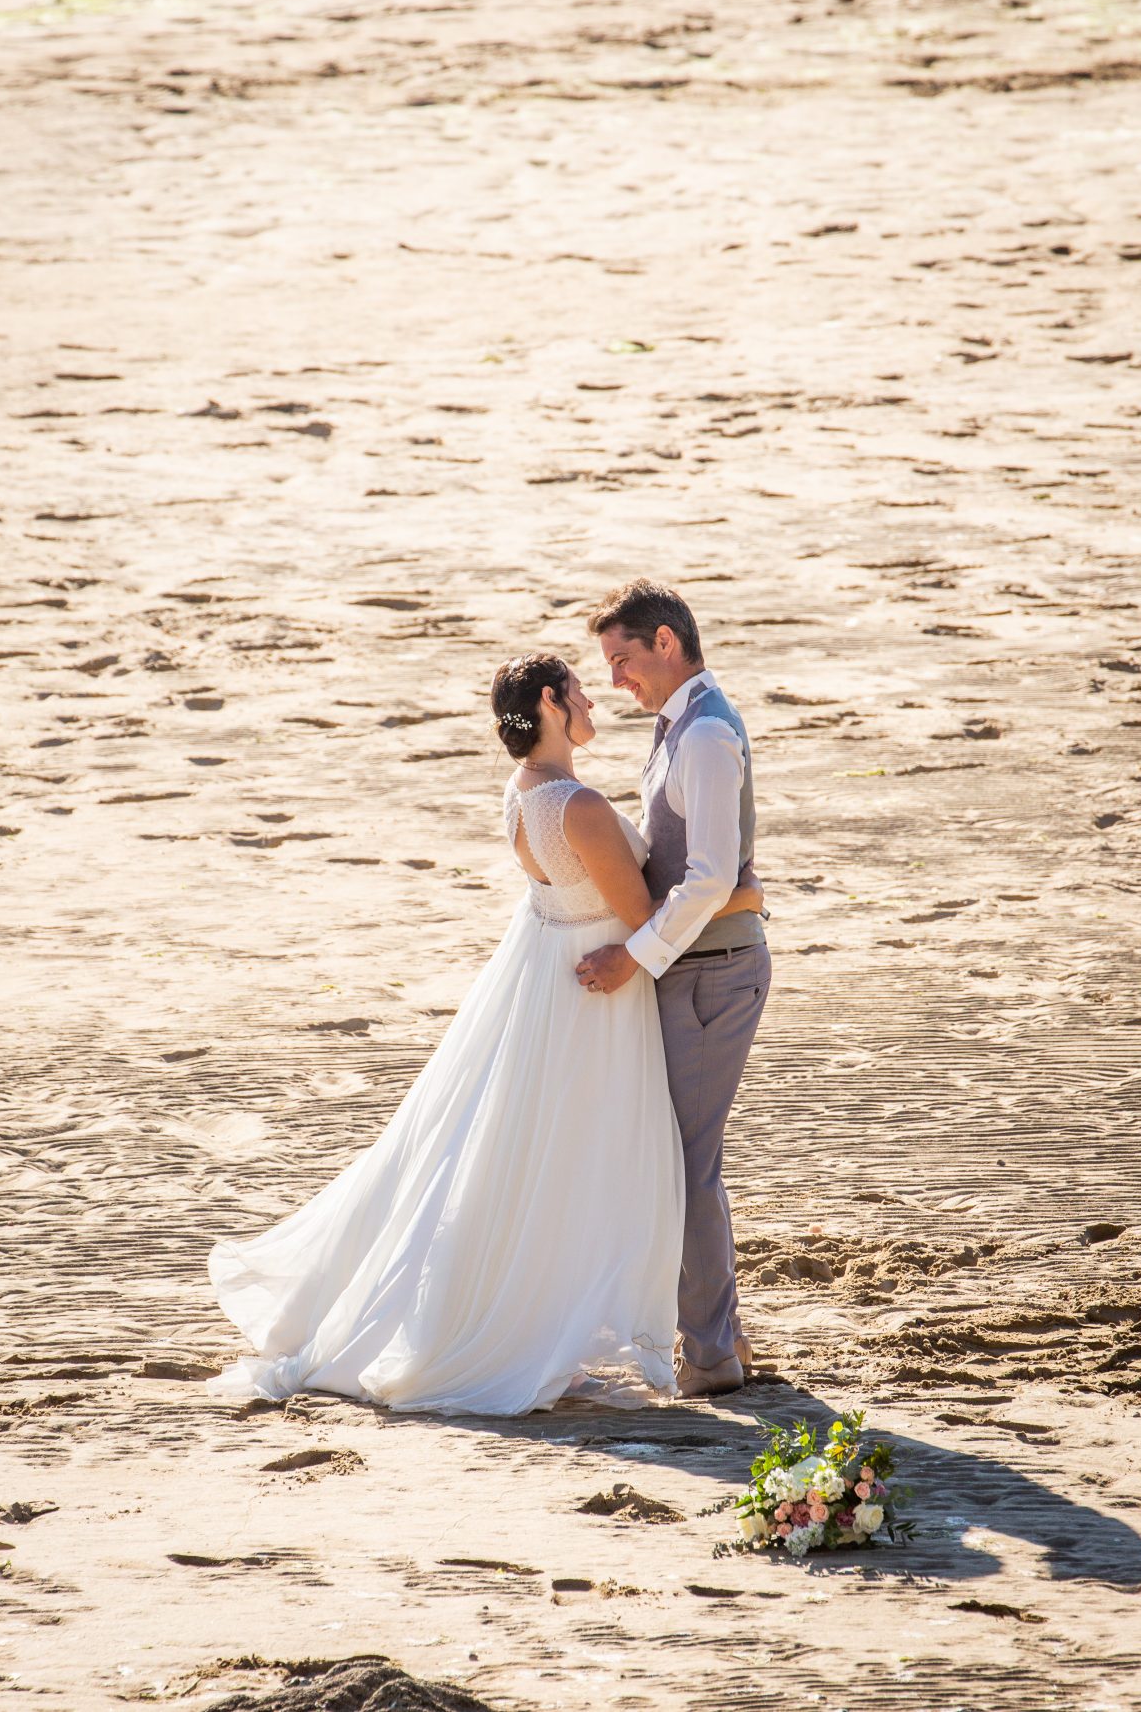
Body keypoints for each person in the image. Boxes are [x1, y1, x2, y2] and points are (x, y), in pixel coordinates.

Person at [207, 652, 764, 1415]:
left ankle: (557, 1320)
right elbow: (640, 919)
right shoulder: (581, 807)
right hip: (596, 1000)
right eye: (576, 688)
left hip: (549, 986)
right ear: (548, 701)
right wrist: (737, 888)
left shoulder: (523, 792)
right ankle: (583, 1332)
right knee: (588, 1167)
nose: (593, 696)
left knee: (536, 1165)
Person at [578, 580, 771, 1398]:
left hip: (710, 973)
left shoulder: (703, 734)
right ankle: (719, 1337)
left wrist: (635, 954)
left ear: (666, 641)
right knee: (685, 1161)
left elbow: (711, 876)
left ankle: (715, 1356)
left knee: (687, 1165)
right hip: (695, 967)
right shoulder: (679, 727)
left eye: (622, 659)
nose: (617, 677)